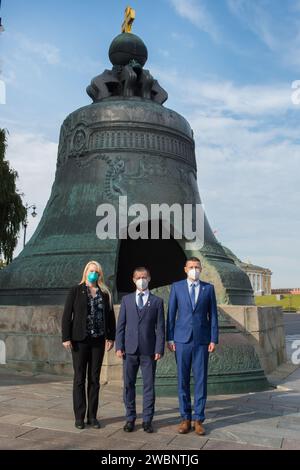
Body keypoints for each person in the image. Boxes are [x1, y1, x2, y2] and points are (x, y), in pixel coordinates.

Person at [166, 257, 218, 436]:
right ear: (185, 269)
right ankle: (185, 418)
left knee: (201, 380)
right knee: (182, 380)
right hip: (181, 340)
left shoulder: (208, 288)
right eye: (191, 267)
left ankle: (199, 419)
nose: (194, 269)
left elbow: (213, 316)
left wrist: (213, 339)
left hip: (202, 341)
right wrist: (170, 339)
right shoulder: (177, 287)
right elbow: (171, 315)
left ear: (201, 269)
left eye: (197, 267)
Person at [62, 260, 116, 429]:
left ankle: (92, 416)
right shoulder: (75, 291)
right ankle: (79, 416)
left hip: (98, 341)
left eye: (97, 272)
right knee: (79, 378)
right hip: (79, 340)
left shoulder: (105, 293)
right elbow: (66, 316)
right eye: (91, 271)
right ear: (85, 272)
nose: (94, 274)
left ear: (100, 275)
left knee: (94, 379)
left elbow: (110, 316)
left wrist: (111, 336)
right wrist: (66, 337)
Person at [115, 267, 165, 433]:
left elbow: (160, 327)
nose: (141, 280)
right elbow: (120, 325)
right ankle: (130, 418)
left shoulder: (157, 302)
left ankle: (147, 420)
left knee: (148, 386)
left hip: (148, 351)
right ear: (133, 279)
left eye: (144, 277)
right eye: (138, 277)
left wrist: (159, 348)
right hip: (129, 350)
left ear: (149, 278)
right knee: (128, 385)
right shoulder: (127, 300)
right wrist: (119, 346)